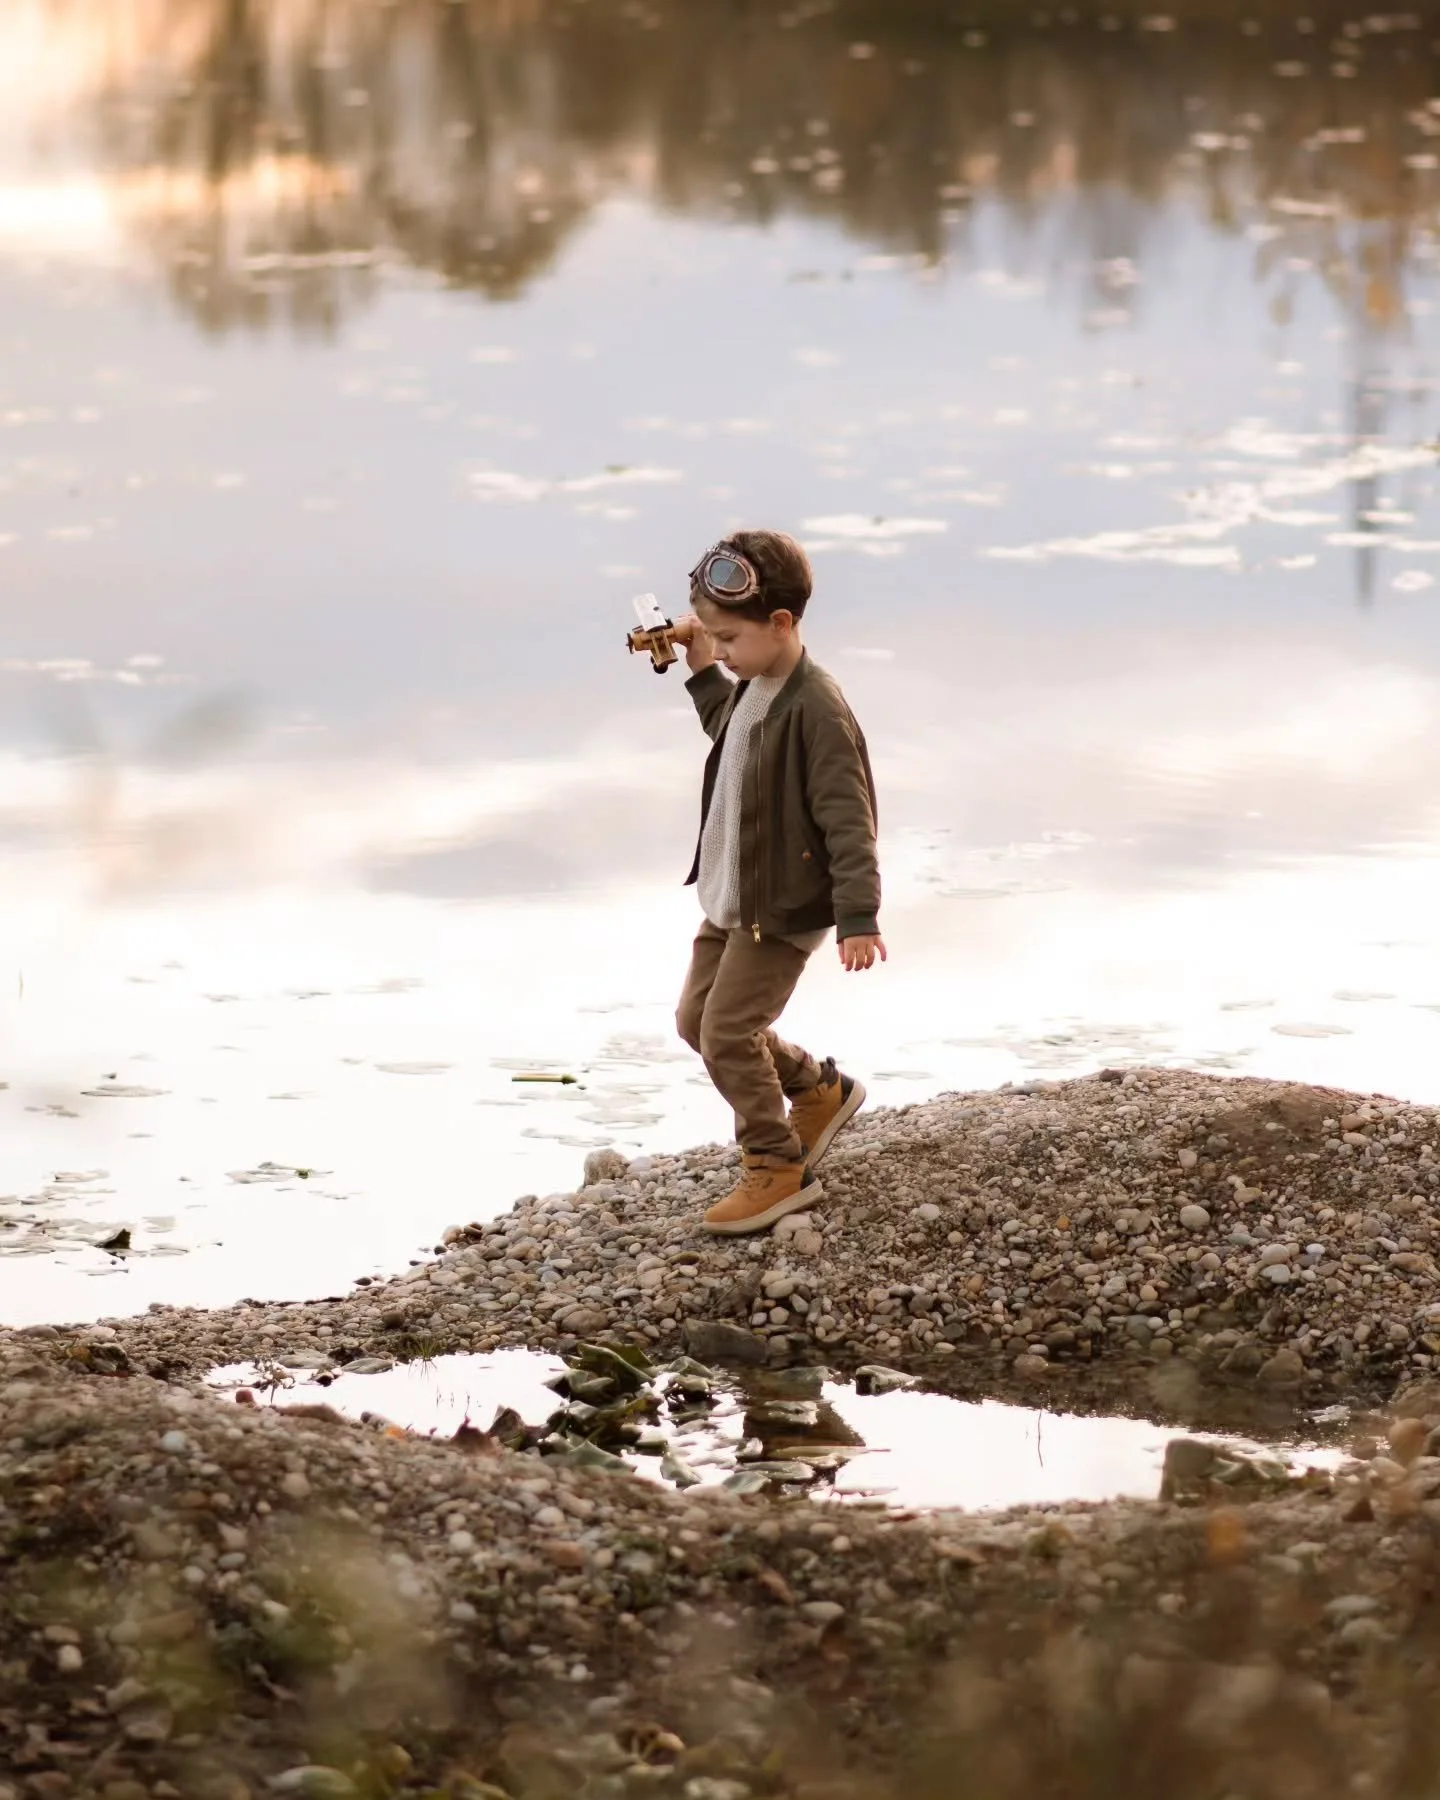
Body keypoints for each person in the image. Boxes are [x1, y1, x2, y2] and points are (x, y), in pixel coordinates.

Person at [666, 529, 885, 1235]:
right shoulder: (758, 686)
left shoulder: (816, 707)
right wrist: (703, 668)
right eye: (715, 639)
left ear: (782, 623)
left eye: (727, 638)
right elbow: (728, 735)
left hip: (782, 908)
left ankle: (776, 1165)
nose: (721, 650)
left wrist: (858, 915)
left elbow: (849, 818)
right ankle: (817, 1089)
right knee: (696, 1023)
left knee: (729, 1033)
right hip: (732, 897)